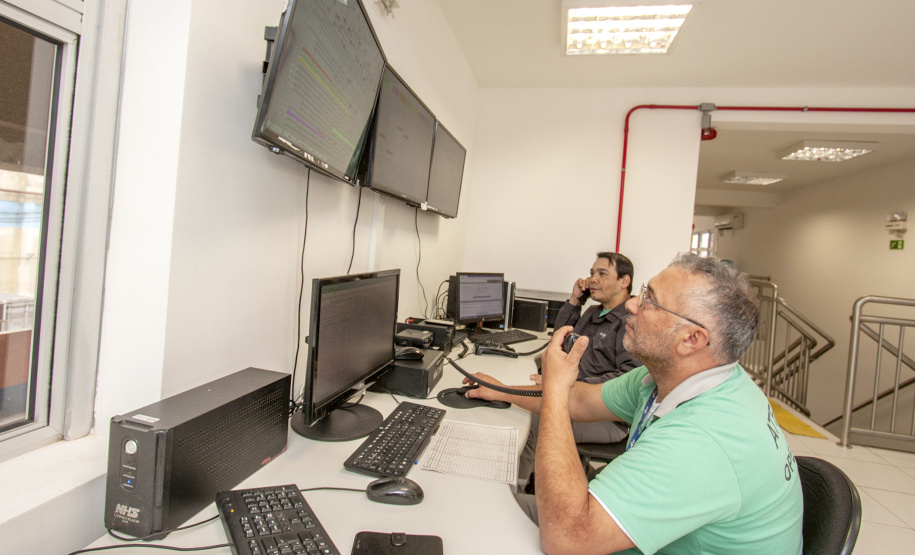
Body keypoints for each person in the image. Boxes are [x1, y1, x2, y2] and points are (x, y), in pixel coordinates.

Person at [465, 253, 803, 554]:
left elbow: (567, 539)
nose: (632, 304)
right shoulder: (667, 377)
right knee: (489, 510)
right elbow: (582, 401)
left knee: (481, 529)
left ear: (691, 339)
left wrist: (554, 387)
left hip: (579, 536)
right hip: (621, 533)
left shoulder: (704, 440)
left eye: (651, 301)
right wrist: (502, 391)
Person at [519, 252, 641, 490]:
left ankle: (521, 486)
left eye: (602, 274)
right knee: (525, 401)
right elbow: (560, 337)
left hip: (606, 417)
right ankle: (537, 476)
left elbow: (627, 379)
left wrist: (565, 385)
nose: (592, 279)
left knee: (535, 418)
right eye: (592, 273)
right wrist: (576, 300)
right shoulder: (592, 313)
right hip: (568, 395)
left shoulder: (631, 323)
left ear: (624, 281)